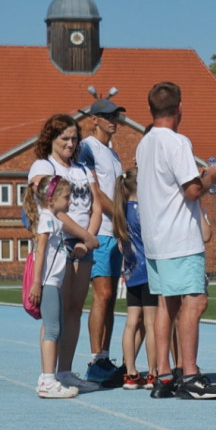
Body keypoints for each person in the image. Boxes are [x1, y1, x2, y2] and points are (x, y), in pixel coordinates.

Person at [136, 82, 216, 400]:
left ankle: (163, 374)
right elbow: (192, 190)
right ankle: (189, 373)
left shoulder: (144, 143)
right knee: (195, 300)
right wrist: (213, 175)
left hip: (155, 237)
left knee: (167, 303)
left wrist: (199, 177)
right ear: (179, 109)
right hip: (179, 236)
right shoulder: (177, 142)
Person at [28, 115, 101, 391]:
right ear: (52, 139)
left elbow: (95, 205)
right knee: (55, 313)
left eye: (74, 139)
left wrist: (88, 239)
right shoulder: (42, 166)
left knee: (74, 310)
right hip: (59, 245)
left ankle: (66, 371)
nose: (71, 144)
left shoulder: (83, 169)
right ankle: (48, 375)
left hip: (83, 245)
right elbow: (53, 208)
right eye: (65, 139)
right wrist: (84, 236)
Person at [79, 98, 126, 385]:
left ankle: (105, 357)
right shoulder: (87, 148)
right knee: (103, 294)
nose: (113, 120)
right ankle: (95, 360)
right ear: (94, 119)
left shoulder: (115, 155)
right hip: (99, 233)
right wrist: (121, 219)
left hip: (116, 232)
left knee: (110, 301)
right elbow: (96, 193)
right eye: (107, 116)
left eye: (116, 116)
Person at [24, 175, 77, 398]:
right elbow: (41, 251)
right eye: (67, 197)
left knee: (55, 328)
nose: (70, 201)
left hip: (52, 281)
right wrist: (37, 283)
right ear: (51, 199)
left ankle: (48, 377)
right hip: (48, 282)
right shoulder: (47, 219)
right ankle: (48, 380)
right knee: (53, 330)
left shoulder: (53, 219)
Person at [111, 167, 158, 389]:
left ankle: (130, 373)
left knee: (131, 323)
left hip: (130, 272)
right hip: (147, 270)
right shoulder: (142, 209)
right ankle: (154, 372)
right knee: (151, 323)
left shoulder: (122, 210)